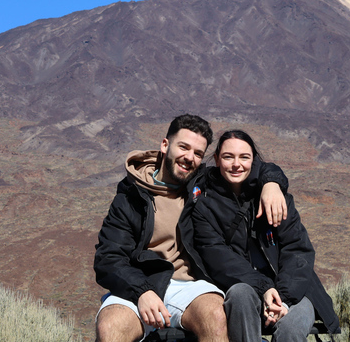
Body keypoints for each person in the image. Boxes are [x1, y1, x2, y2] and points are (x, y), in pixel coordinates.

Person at [93, 114, 289, 342]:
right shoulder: (131, 196)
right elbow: (108, 258)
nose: (189, 158)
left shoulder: (202, 184)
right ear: (165, 145)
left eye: (197, 153)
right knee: (111, 328)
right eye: (183, 147)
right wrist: (142, 290)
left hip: (189, 286)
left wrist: (272, 184)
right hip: (138, 283)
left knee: (216, 316)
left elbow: (253, 167)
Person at [191, 129, 340, 342]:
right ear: (216, 159)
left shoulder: (276, 197)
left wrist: (284, 299)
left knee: (291, 329)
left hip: (294, 292)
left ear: (254, 160)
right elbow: (218, 258)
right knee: (240, 294)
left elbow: (297, 250)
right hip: (247, 288)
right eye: (228, 157)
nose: (236, 164)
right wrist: (265, 288)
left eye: (244, 157)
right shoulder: (205, 205)